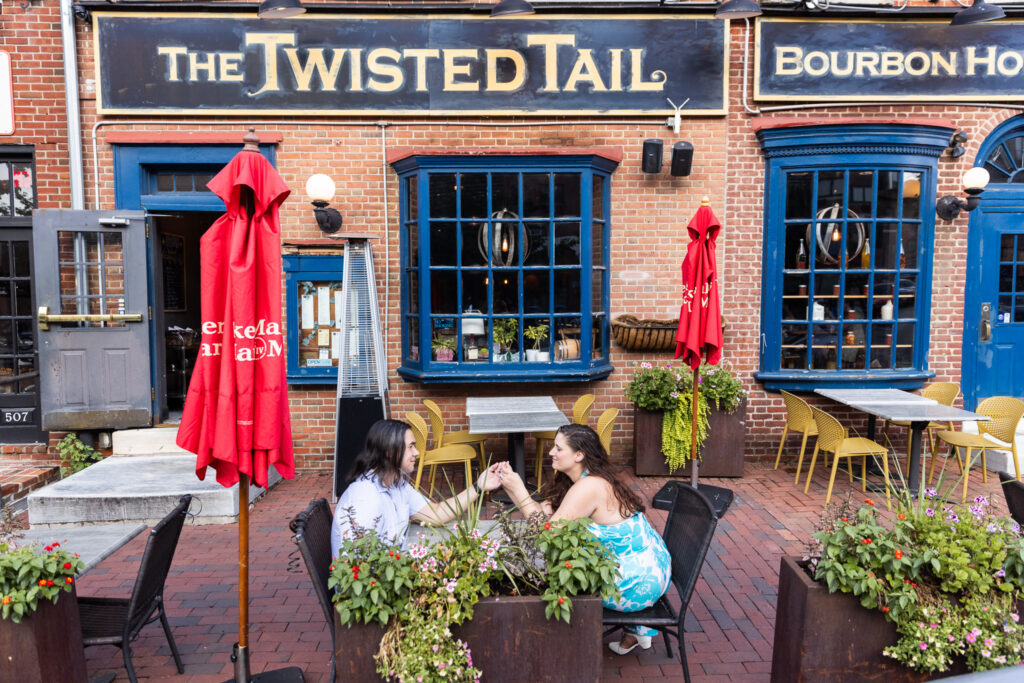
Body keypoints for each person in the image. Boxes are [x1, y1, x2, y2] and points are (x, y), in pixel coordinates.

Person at [495, 423, 671, 655]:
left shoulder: (590, 486)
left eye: (558, 449)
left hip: (637, 583)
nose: (551, 453)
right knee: (565, 560)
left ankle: (564, 649)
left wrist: (519, 490)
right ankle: (635, 632)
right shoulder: (578, 478)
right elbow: (545, 515)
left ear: (579, 455)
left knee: (555, 576)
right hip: (649, 563)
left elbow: (547, 534)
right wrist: (512, 487)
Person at [330, 418, 503, 558]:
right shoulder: (366, 498)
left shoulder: (396, 484)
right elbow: (361, 564)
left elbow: (437, 514)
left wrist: (479, 486)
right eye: (410, 447)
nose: (417, 453)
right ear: (390, 452)